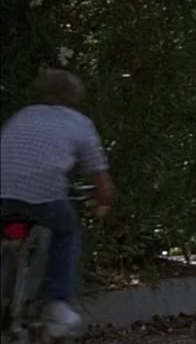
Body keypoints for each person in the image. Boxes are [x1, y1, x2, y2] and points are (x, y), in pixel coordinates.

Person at [1, 68, 115, 338]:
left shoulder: (23, 115)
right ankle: (56, 304)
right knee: (67, 231)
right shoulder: (80, 124)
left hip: (3, 192)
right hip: (42, 194)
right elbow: (102, 182)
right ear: (76, 97)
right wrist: (102, 200)